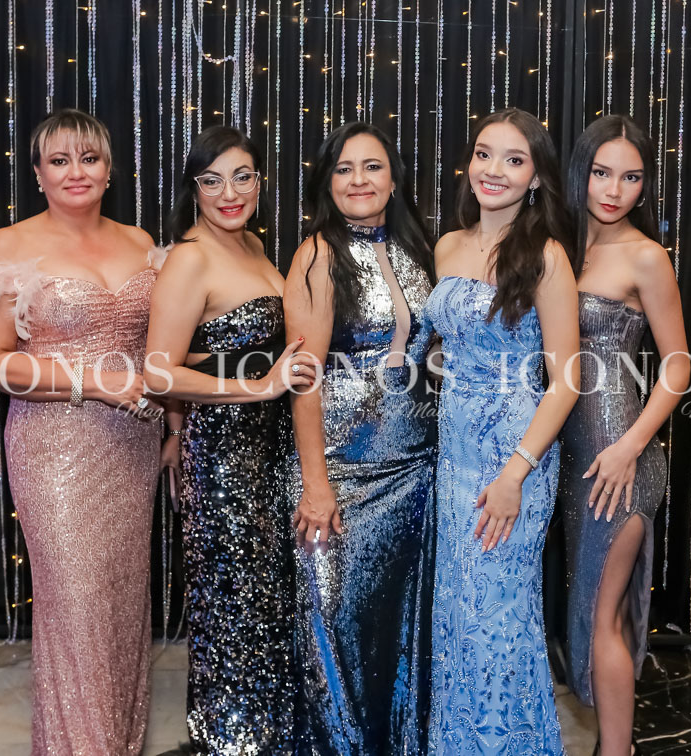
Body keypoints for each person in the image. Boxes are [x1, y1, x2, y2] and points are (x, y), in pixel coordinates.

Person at [0, 108, 162, 755]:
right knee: (77, 606)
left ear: (110, 169)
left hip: (133, 447)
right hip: (55, 450)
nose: (75, 172)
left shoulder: (140, 241)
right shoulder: (8, 247)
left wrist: (175, 426)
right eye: (59, 160)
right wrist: (96, 382)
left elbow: (158, 350)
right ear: (37, 174)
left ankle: (118, 741)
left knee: (121, 605)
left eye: (89, 158)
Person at [144, 125, 316, 754]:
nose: (229, 193)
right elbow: (157, 370)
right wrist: (260, 387)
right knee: (235, 611)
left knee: (266, 609)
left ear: (260, 181)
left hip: (266, 456)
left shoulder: (253, 245)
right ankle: (230, 744)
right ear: (193, 189)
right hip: (223, 462)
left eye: (242, 176)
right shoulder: (191, 257)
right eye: (212, 180)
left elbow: (215, 349)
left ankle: (264, 740)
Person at [424, 107, 580, 754]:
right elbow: (445, 344)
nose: (494, 170)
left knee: (500, 620)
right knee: (458, 616)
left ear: (536, 178)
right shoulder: (447, 246)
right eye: (484, 154)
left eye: (514, 160)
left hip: (516, 456)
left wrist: (515, 474)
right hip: (454, 452)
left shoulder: (546, 257)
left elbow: (566, 381)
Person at [282, 122, 436, 754]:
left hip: (414, 469)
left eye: (372, 167)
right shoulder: (318, 253)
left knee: (396, 636)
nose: (358, 180)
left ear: (394, 180)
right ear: (327, 183)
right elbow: (304, 378)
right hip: (341, 471)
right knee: (336, 632)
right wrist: (315, 484)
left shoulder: (417, 249)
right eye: (343, 169)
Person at [559, 114, 690, 756]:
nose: (614, 190)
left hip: (620, 459)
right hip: (565, 458)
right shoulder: (557, 246)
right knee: (582, 612)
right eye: (602, 173)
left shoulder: (645, 255)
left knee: (602, 616)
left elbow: (679, 366)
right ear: (580, 173)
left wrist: (630, 446)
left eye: (631, 177)